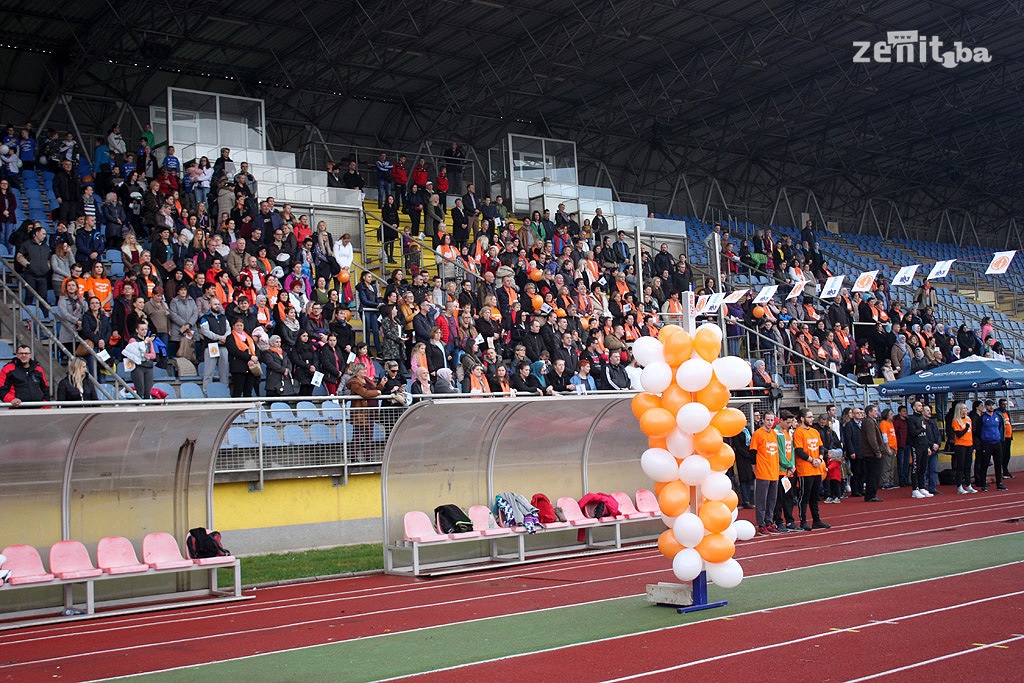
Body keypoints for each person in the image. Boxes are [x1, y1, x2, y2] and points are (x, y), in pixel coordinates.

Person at [793, 408, 831, 530]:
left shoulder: (815, 431)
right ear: (803, 419)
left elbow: (821, 447)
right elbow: (799, 450)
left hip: (817, 468)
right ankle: (803, 520)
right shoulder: (798, 432)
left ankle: (817, 520)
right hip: (805, 470)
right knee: (804, 496)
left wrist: (819, 459)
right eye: (809, 417)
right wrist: (811, 460)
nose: (812, 419)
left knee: (815, 497)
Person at [749, 411, 781, 535]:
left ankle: (769, 521)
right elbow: (752, 453)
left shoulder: (774, 434)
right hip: (763, 471)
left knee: (772, 500)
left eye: (772, 420)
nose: (769, 422)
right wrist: (754, 469)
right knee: (762, 500)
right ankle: (761, 524)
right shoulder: (757, 434)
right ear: (763, 420)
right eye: (767, 420)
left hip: (774, 472)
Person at [346, 362, 381, 461]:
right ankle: (354, 458)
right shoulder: (354, 383)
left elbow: (374, 390)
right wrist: (377, 392)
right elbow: (364, 393)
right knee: (358, 436)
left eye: (365, 369)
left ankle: (368, 457)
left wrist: (381, 386)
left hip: (369, 412)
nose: (365, 371)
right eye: (362, 370)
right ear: (357, 372)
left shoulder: (367, 380)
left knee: (369, 436)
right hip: (360, 413)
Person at [198, 297, 230, 395]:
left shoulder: (223, 317)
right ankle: (206, 392)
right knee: (209, 371)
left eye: (218, 304)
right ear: (209, 305)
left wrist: (224, 337)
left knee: (224, 371)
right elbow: (206, 332)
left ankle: (225, 391)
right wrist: (218, 338)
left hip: (223, 346)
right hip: (211, 346)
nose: (217, 306)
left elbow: (229, 329)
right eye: (215, 304)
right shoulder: (205, 318)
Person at [976, 399, 1007, 491]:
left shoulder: (997, 416)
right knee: (984, 464)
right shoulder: (982, 418)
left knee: (998, 463)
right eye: (989, 405)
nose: (991, 407)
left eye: (992, 405)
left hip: (996, 442)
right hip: (986, 443)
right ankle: (983, 484)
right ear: (986, 407)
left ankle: (999, 483)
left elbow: (1000, 427)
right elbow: (978, 431)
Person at [861, 404, 891, 502]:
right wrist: (877, 451)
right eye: (875, 411)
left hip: (870, 452)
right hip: (871, 453)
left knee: (873, 474)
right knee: (873, 474)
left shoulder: (869, 422)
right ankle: (871, 494)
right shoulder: (869, 422)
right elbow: (872, 439)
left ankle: (871, 494)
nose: (877, 412)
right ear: (869, 412)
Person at [226, 317, 259, 398]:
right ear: (233, 326)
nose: (239, 327)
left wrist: (255, 358)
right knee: (238, 390)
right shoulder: (230, 338)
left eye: (241, 325)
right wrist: (250, 357)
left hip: (250, 368)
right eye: (237, 325)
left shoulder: (249, 338)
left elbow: (256, 349)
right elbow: (235, 351)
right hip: (238, 368)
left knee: (248, 391)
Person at [123, 320, 156, 400]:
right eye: (142, 329)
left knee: (148, 391)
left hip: (148, 366)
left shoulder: (149, 341)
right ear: (137, 330)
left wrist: (145, 355)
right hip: (138, 367)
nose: (144, 331)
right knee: (140, 390)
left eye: (145, 329)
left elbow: (153, 355)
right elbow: (134, 353)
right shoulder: (133, 340)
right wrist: (145, 355)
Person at [950, 401, 977, 494]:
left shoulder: (968, 419)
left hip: (969, 444)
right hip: (960, 445)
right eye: (964, 408)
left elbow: (971, 434)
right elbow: (959, 434)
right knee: (960, 466)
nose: (966, 410)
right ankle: (959, 486)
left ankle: (968, 485)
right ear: (960, 410)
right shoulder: (956, 420)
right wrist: (965, 428)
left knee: (968, 466)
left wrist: (973, 445)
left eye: (966, 408)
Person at [843, 406, 864, 497]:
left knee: (862, 471)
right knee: (855, 471)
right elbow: (848, 439)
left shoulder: (861, 424)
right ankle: (855, 490)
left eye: (860, 413)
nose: (859, 414)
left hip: (862, 450)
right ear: (853, 415)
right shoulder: (850, 425)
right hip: (855, 451)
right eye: (857, 413)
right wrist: (851, 452)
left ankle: (860, 488)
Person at [997, 398, 1014, 482]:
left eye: (1005, 404)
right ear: (999, 405)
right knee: (1001, 455)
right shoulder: (997, 413)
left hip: (1008, 436)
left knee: (1007, 454)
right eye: (1003, 404)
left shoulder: (1007, 413)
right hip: (1001, 438)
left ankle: (1005, 470)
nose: (1004, 406)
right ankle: (999, 472)